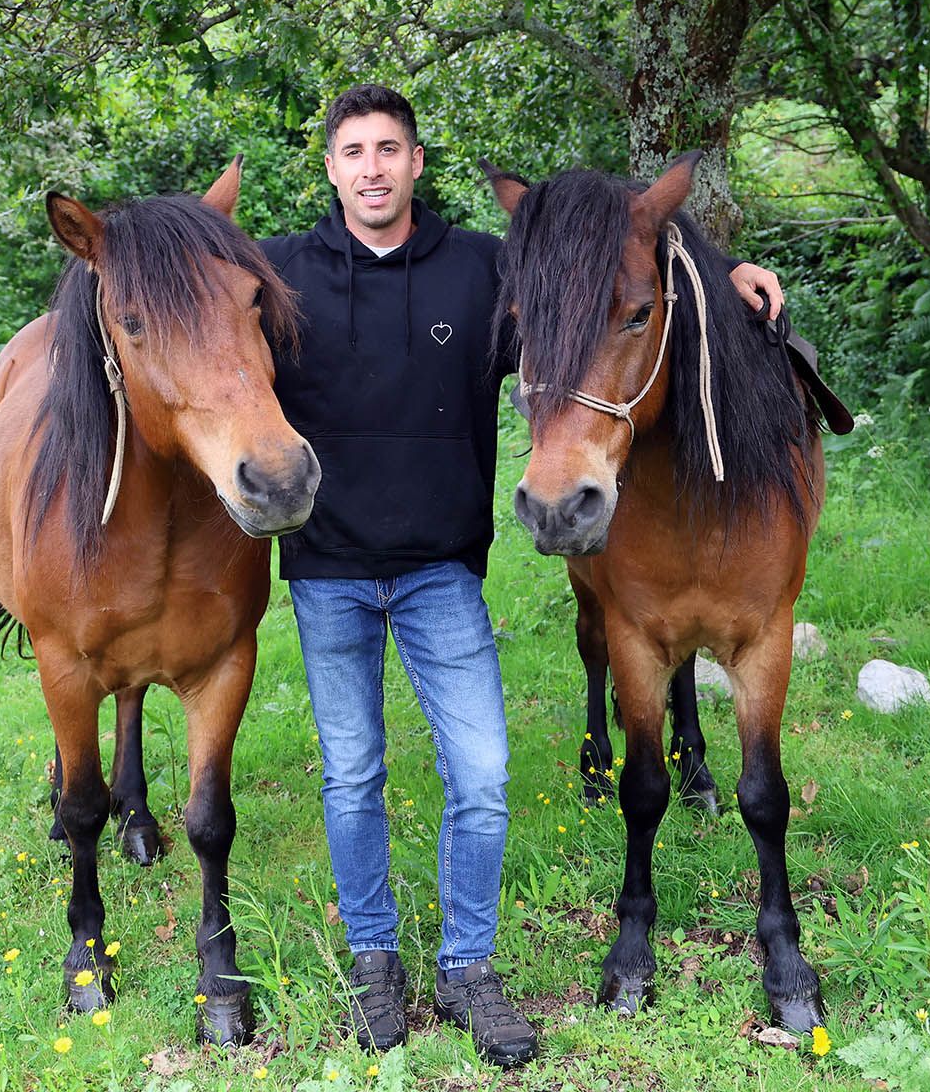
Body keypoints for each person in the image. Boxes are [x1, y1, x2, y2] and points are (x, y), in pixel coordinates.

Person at [258, 85, 783, 1067]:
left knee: (485, 778)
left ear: (416, 164)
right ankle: (372, 958)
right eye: (352, 151)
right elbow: (181, 304)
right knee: (351, 777)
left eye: (389, 149)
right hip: (326, 568)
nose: (370, 167)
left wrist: (729, 275)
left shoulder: (480, 269)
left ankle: (467, 968)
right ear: (328, 168)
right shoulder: (283, 272)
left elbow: (603, 290)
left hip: (439, 572)